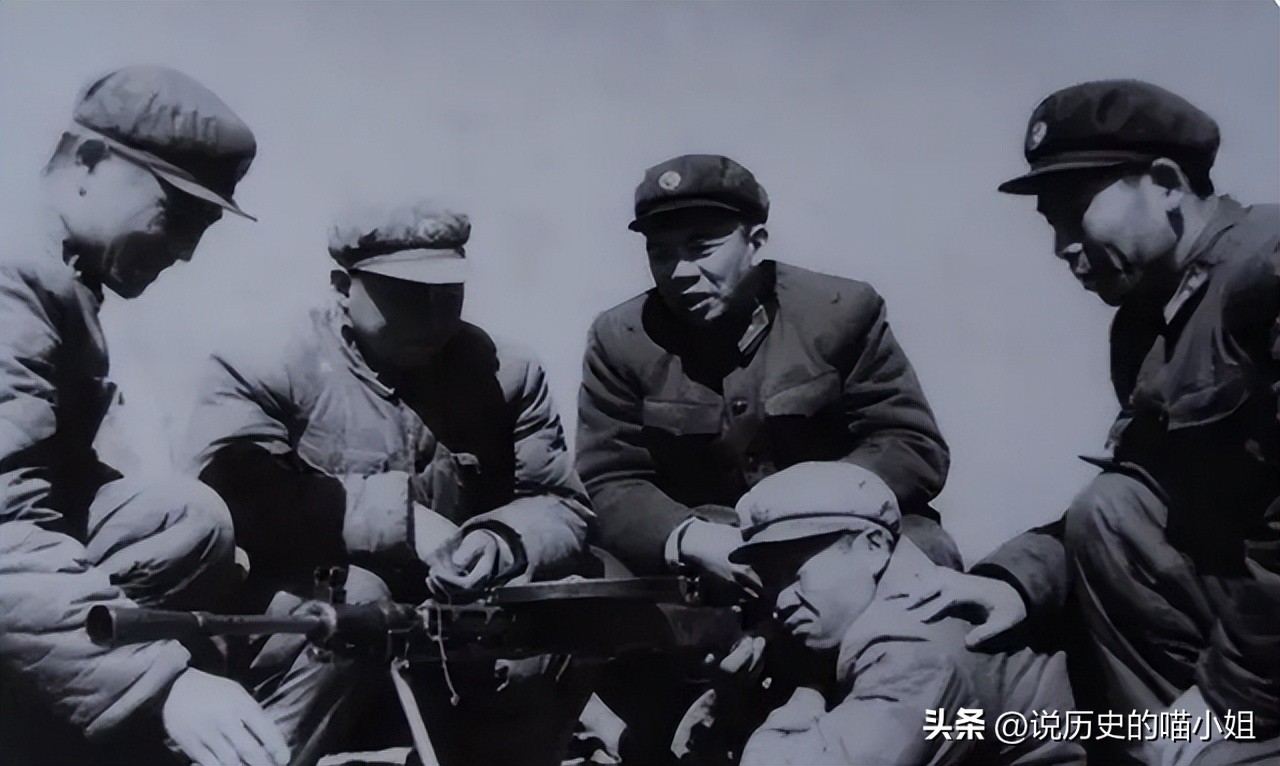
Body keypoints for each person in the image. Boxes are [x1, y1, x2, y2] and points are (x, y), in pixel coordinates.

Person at [912, 80, 1280, 765]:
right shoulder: (1146, 322)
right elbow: (1145, 490)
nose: (1063, 247)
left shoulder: (1268, 270)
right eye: (1050, 224)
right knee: (1110, 510)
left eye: (1076, 213)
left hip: (1258, 653)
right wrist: (1015, 580)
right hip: (1248, 629)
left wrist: (1232, 695)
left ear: (1166, 183)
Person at [574, 153, 960, 763]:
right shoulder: (620, 338)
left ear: (755, 242)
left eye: (701, 247)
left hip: (834, 544)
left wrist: (807, 523)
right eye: (660, 252)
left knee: (925, 551)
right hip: (710, 561)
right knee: (599, 589)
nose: (679, 271)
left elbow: (911, 445)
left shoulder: (841, 310)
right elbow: (608, 479)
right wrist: (692, 537)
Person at [184, 200, 597, 766]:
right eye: (404, 295)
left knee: (581, 596)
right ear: (342, 287)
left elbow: (561, 503)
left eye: (448, 294)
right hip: (309, 635)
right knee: (357, 600)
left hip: (450, 630)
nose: (432, 318)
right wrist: (403, 523)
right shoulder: (266, 363)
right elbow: (234, 491)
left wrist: (502, 541)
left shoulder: (505, 372)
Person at [0, 66, 289, 766]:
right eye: (176, 215)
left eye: (203, 228)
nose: (186, 251)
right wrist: (158, 682)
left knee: (184, 521)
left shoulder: (58, 274)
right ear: (90, 162)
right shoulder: (14, 276)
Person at [720, 462, 1083, 766]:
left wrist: (802, 696)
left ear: (873, 547)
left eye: (795, 572)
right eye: (771, 580)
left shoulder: (914, 645)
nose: (781, 599)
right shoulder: (884, 610)